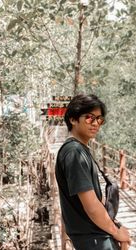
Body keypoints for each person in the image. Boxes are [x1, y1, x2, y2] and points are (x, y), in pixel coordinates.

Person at [55, 94, 131, 250]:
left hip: (96, 235)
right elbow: (91, 205)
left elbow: (96, 198)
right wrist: (117, 233)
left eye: (99, 119)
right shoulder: (74, 152)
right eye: (90, 118)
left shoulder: (80, 150)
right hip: (94, 240)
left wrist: (117, 226)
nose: (96, 123)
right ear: (73, 119)